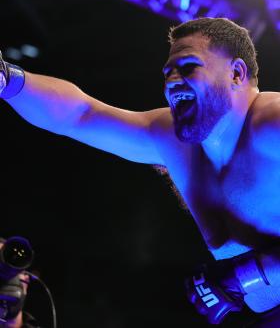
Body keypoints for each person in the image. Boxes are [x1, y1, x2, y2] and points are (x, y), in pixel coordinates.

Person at [1, 17, 280, 326]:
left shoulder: (272, 122)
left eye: (188, 67)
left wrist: (243, 278)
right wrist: (6, 79)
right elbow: (80, 114)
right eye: (167, 72)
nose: (172, 81)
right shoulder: (173, 138)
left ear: (237, 73)